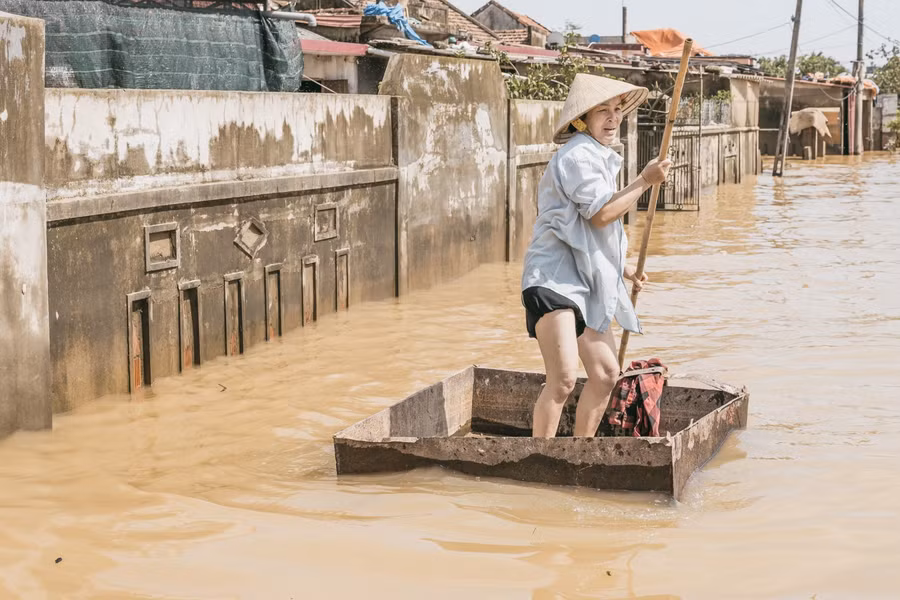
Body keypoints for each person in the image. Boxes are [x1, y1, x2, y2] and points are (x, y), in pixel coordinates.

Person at [521, 73, 672, 438]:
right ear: (580, 120)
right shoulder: (577, 155)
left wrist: (624, 269)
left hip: (584, 282)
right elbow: (602, 214)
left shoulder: (600, 157)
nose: (612, 118)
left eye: (617, 109)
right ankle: (540, 458)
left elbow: (590, 234)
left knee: (606, 375)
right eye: (601, 111)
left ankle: (580, 453)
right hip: (554, 280)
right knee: (563, 380)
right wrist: (644, 181)